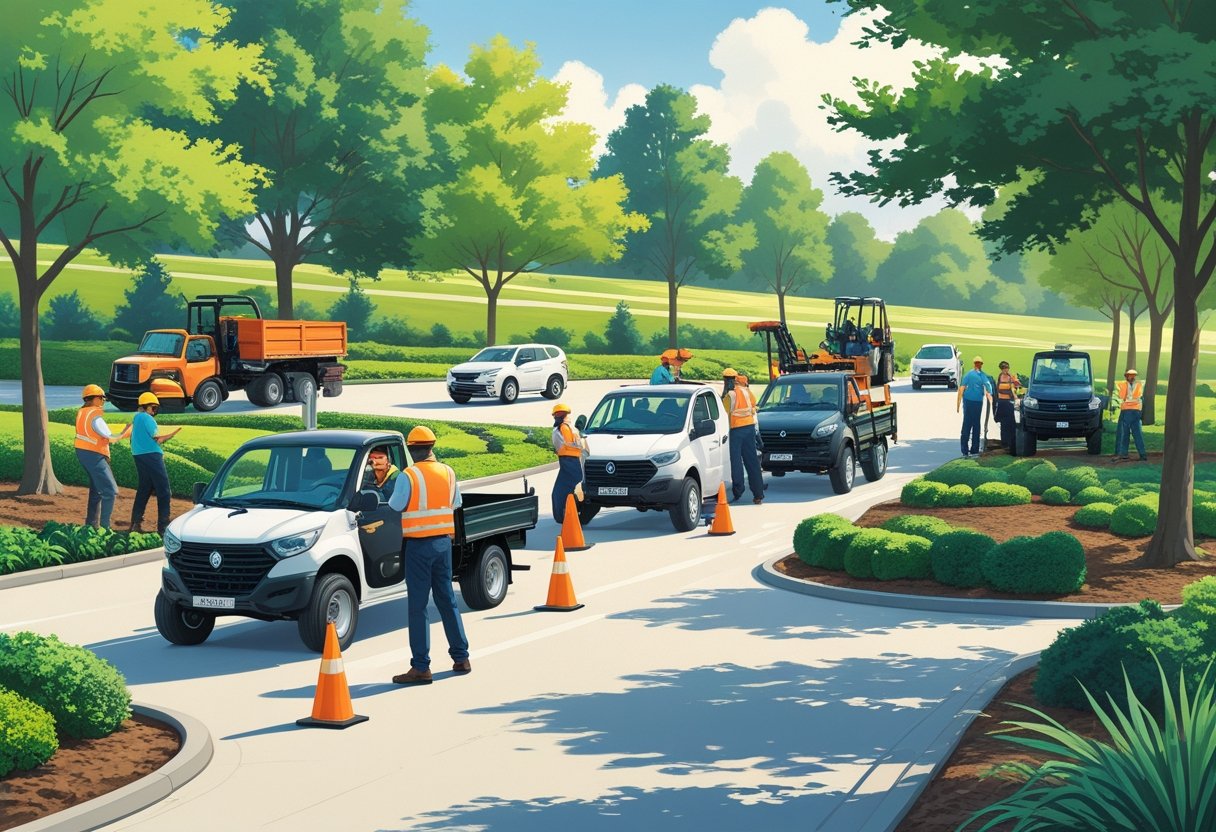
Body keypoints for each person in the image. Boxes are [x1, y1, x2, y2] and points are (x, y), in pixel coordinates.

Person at [390, 425, 471, 685]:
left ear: (412, 449)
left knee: (418, 606)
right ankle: (461, 657)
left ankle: (421, 667)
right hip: (442, 545)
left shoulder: (408, 475)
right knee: (447, 600)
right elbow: (456, 502)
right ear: (432, 448)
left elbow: (396, 505)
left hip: (418, 547)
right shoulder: (448, 472)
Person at [74, 384, 132, 530]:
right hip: (94, 455)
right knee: (110, 491)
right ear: (93, 399)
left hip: (84, 452)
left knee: (96, 490)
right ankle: (105, 528)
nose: (103, 402)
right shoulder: (95, 416)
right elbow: (111, 438)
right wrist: (128, 432)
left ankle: (91, 526)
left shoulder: (83, 412)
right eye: (101, 398)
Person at [128, 392, 181, 534]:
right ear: (146, 407)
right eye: (153, 407)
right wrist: (172, 434)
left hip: (138, 455)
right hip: (152, 455)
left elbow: (132, 439)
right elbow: (157, 438)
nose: (155, 410)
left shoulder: (136, 418)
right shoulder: (148, 419)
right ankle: (163, 528)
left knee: (144, 489)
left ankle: (135, 524)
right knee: (164, 491)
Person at [722, 368, 764, 504]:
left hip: (735, 430)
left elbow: (723, 413)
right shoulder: (746, 391)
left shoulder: (730, 395)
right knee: (752, 461)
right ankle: (758, 494)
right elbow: (753, 404)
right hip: (749, 428)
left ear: (725, 380)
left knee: (736, 462)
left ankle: (738, 491)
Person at [550, 403, 587, 523]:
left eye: (559, 414)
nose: (557, 416)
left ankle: (566, 515)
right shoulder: (571, 429)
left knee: (561, 492)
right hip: (571, 462)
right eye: (556, 414)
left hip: (569, 462)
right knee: (564, 491)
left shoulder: (564, 428)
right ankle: (567, 515)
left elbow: (567, 444)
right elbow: (579, 446)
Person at [956, 357, 994, 458]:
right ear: (980, 364)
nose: (978, 365)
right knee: (975, 424)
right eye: (978, 363)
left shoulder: (969, 374)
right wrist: (990, 395)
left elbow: (961, 388)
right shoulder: (982, 375)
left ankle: (965, 450)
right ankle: (974, 450)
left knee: (968, 424)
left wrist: (958, 404)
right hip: (976, 402)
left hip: (969, 402)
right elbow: (988, 386)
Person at [1112, 368, 1148, 462]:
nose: (1132, 377)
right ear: (1127, 376)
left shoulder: (1124, 385)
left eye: (1133, 375)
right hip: (1135, 411)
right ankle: (1142, 454)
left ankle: (1123, 454)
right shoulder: (1138, 385)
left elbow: (1123, 397)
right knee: (1136, 434)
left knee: (1125, 433)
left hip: (1128, 411)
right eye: (1130, 375)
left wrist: (1126, 399)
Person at [994, 361, 1020, 452]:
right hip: (1002, 403)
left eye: (1007, 368)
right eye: (1004, 368)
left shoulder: (1011, 377)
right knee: (1004, 424)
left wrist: (1016, 382)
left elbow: (1017, 386)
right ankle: (1004, 443)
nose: (1006, 369)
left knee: (1011, 424)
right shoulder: (1000, 377)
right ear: (1001, 369)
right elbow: (998, 389)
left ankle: (1011, 443)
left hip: (1009, 403)